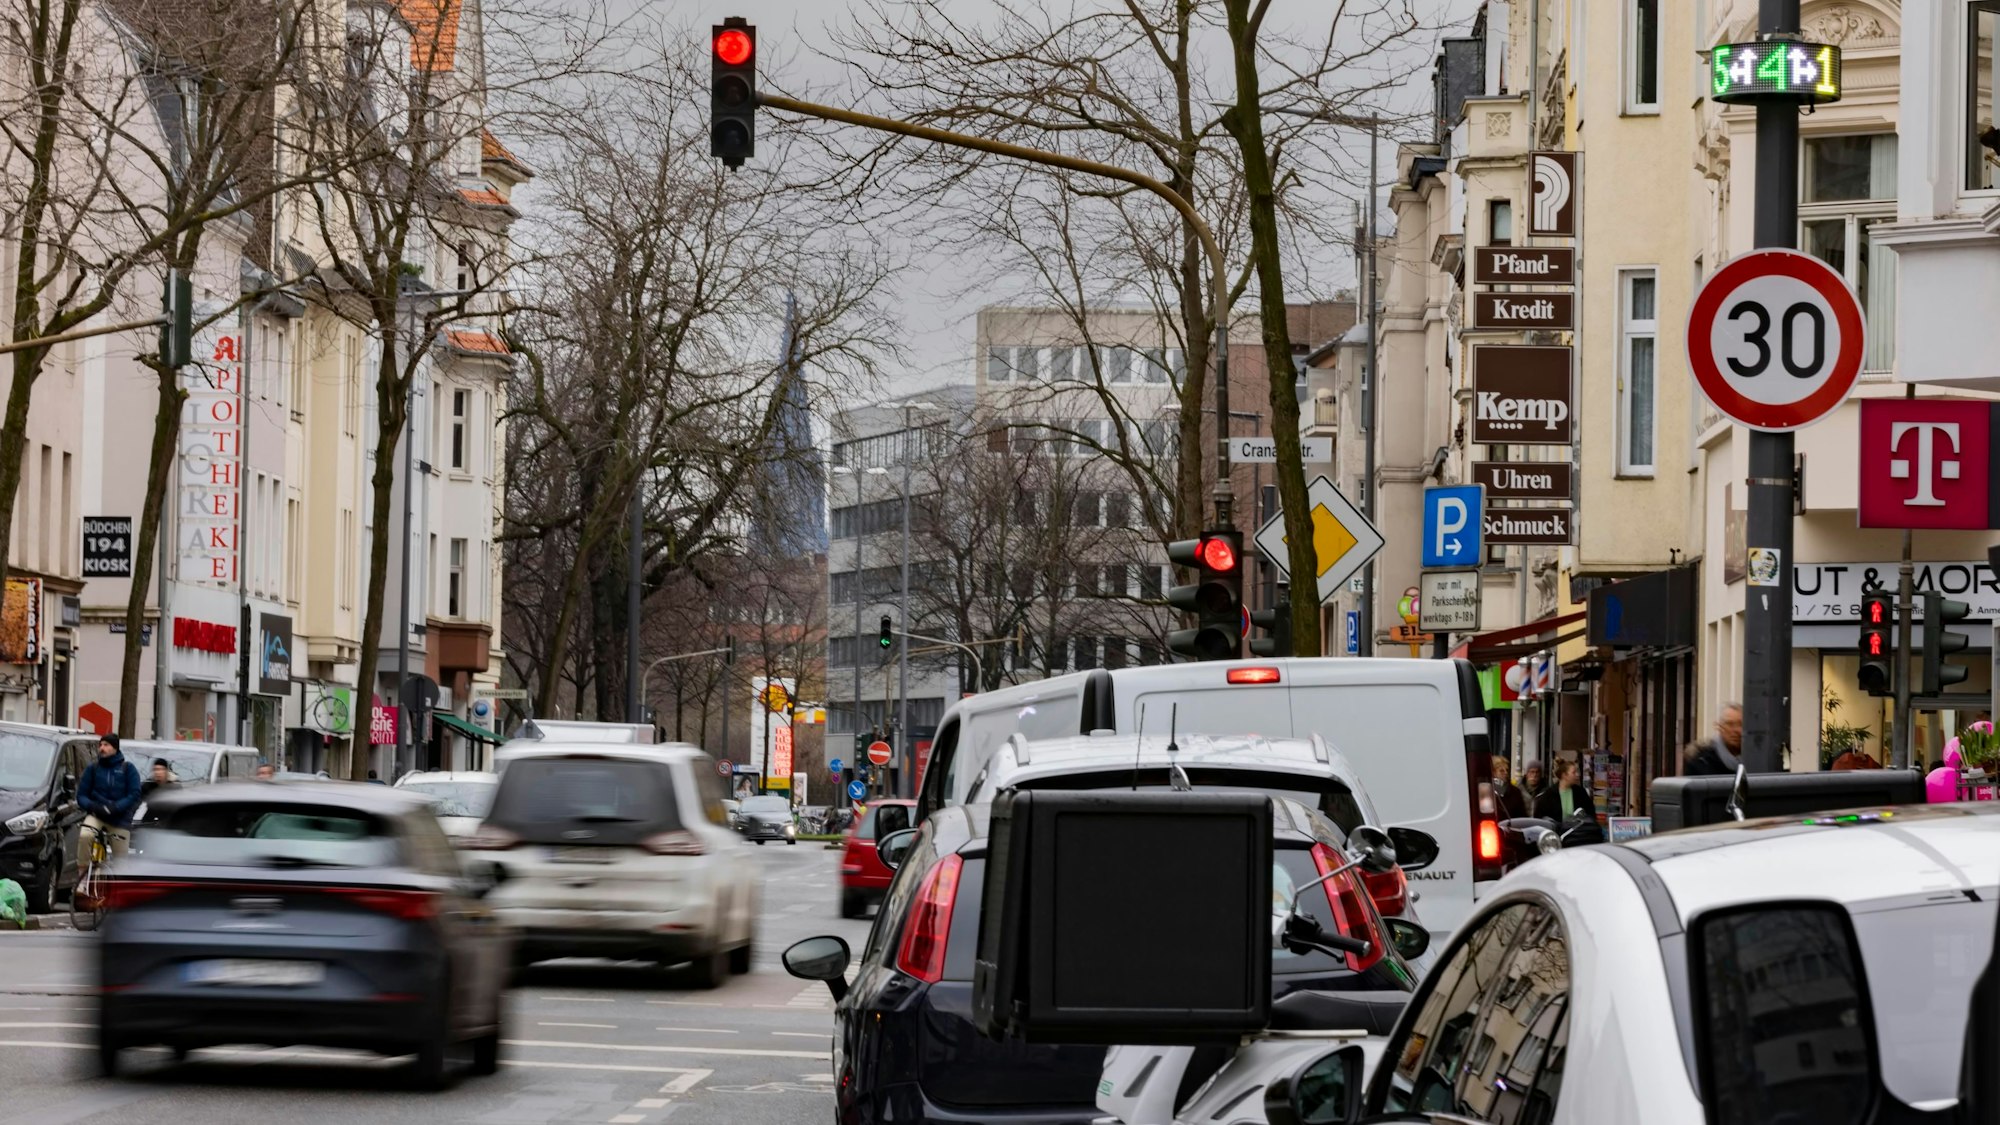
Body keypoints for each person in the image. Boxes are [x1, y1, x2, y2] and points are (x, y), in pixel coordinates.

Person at [76, 733, 141, 863]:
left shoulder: (128, 769)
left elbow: (134, 794)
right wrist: (92, 806)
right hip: (96, 815)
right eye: (100, 745)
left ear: (115, 748)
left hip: (120, 819)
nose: (102, 748)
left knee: (121, 862)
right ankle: (83, 877)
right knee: (85, 836)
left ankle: (118, 881)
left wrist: (116, 807)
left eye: (106, 745)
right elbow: (81, 795)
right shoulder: (93, 768)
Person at [1684, 703, 1743, 776]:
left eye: (1741, 724)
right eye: (1730, 724)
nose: (1736, 730)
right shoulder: (1701, 762)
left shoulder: (1757, 760)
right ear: (1719, 727)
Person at [1534, 758, 1597, 823]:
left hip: (1577, 831)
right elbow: (1539, 818)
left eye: (1577, 772)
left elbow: (1590, 813)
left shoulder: (1580, 792)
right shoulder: (1549, 794)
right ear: (1564, 775)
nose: (1577, 775)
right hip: (1555, 831)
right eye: (1574, 772)